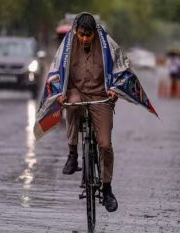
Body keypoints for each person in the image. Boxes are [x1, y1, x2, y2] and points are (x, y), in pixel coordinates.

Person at [55, 13, 118, 212]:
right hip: (77, 92)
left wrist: (114, 89)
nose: (84, 39)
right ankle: (72, 154)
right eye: (81, 35)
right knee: (71, 106)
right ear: (76, 32)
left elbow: (121, 69)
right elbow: (55, 71)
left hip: (101, 95)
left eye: (88, 35)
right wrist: (60, 93)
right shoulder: (66, 46)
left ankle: (107, 188)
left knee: (105, 144)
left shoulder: (108, 45)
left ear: (94, 34)